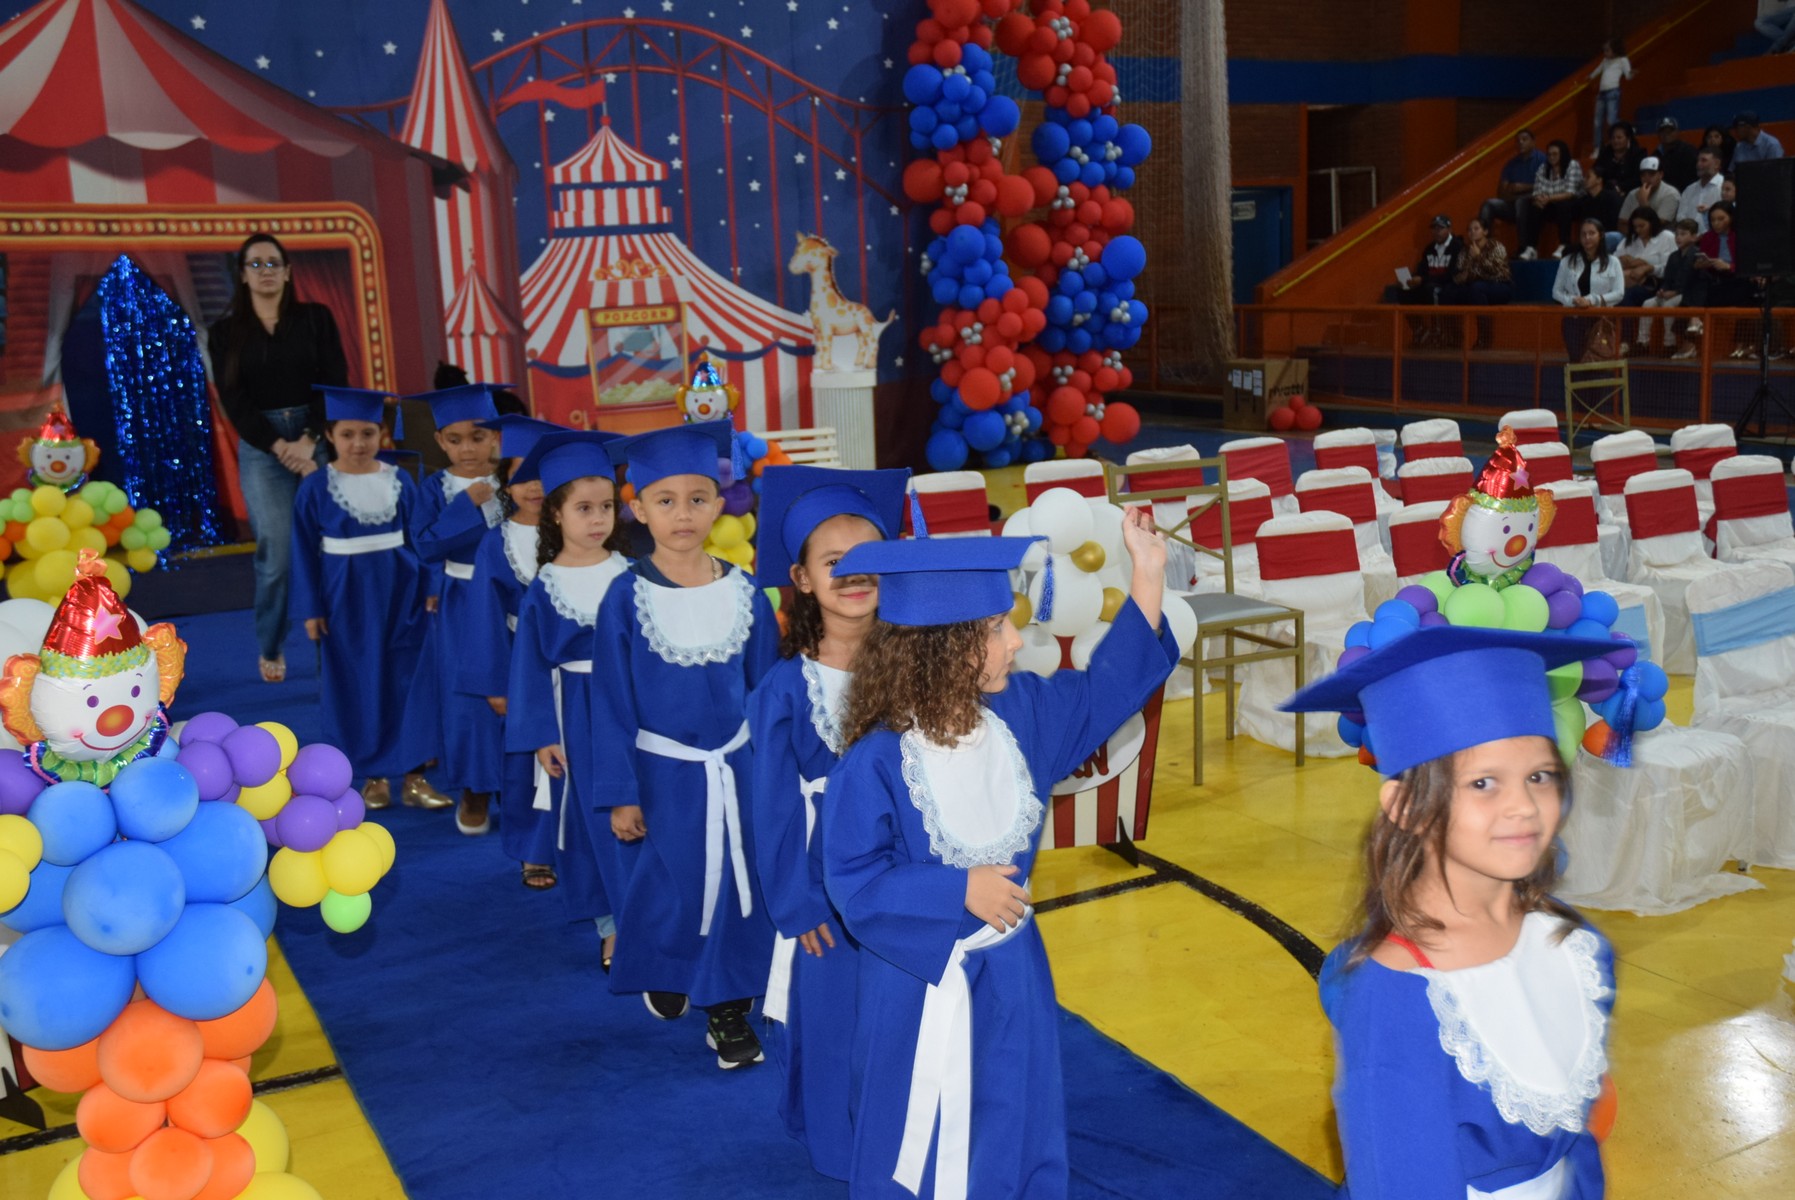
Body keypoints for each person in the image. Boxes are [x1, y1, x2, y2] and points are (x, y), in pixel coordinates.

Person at [822, 514, 1179, 1200]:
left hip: (1012, 968)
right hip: (920, 984)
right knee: (916, 1121)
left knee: (1014, 1110)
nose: (1016, 640)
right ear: (938, 648)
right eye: (994, 628)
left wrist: (1147, 572)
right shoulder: (875, 763)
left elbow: (1108, 687)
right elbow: (854, 879)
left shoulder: (1020, 717)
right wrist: (952, 890)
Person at [1281, 626, 1619, 1199]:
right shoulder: (1397, 999)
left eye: (1540, 775)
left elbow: (1580, 1142)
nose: (1523, 805)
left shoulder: (1570, 944)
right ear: (1407, 806)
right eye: (1483, 783)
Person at [589, 421, 780, 1070]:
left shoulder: (744, 590)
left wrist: (777, 773)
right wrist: (619, 793)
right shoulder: (625, 597)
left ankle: (727, 1010)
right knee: (671, 885)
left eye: (697, 498)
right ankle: (666, 963)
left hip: (739, 767)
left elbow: (766, 687)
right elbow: (608, 702)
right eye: (664, 500)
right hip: (663, 772)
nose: (682, 514)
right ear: (636, 508)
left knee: (735, 880)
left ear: (720, 502)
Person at [747, 464, 910, 1182]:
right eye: (833, 563)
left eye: (869, 559)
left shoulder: (918, 666)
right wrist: (796, 900)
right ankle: (845, 1153)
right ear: (803, 579)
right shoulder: (786, 687)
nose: (854, 575)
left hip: (910, 870)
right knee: (838, 1015)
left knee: (904, 1010)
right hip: (822, 878)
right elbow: (772, 802)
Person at [507, 430, 633, 963]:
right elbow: (530, 666)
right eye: (584, 508)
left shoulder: (632, 574)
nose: (598, 518)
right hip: (576, 712)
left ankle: (647, 915)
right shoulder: (547, 585)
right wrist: (541, 737)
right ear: (555, 513)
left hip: (629, 710)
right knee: (592, 820)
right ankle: (612, 924)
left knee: (639, 814)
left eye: (605, 506)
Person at [207, 233, 347, 684]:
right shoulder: (225, 331)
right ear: (242, 275)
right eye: (255, 264)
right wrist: (279, 446)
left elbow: (335, 381)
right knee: (277, 555)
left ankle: (336, 649)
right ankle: (272, 643)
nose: (265, 271)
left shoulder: (315, 319)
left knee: (331, 548)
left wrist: (310, 440)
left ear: (287, 271)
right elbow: (234, 399)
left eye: (273, 263)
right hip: (263, 447)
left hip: (317, 437)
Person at [289, 387, 434, 809]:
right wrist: (312, 608)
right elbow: (301, 550)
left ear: (382, 434)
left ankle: (415, 774)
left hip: (400, 592)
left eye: (368, 433)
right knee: (358, 683)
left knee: (406, 680)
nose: (358, 443)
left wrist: (429, 587)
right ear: (330, 436)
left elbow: (420, 539)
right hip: (345, 599)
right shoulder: (316, 488)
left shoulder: (400, 480)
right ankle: (372, 775)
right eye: (348, 434)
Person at [459, 414, 564, 887]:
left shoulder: (576, 530)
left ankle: (577, 839)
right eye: (521, 476)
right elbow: (484, 617)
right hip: (524, 663)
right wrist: (497, 682)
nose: (533, 487)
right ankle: (533, 847)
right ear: (506, 481)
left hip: (579, 664)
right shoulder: (494, 543)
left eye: (542, 476)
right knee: (525, 758)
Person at [404, 385, 505, 832]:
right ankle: (476, 787)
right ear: (441, 441)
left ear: (496, 439)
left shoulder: (517, 483)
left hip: (514, 600)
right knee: (468, 699)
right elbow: (426, 545)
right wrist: (468, 505)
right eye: (456, 439)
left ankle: (521, 785)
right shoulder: (435, 489)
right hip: (462, 600)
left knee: (518, 692)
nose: (468, 448)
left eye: (478, 437)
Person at [1687, 202, 1759, 358]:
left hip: (1737, 278)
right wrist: (1702, 264)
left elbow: (1750, 265)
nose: (1716, 223)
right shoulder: (1707, 238)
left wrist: (1729, 266)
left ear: (1731, 218)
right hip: (1714, 278)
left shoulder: (1742, 237)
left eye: (1721, 219)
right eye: (1713, 220)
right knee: (1697, 277)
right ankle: (1693, 321)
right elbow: (1702, 261)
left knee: (1746, 294)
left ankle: (1741, 345)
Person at [1381, 215, 1464, 345]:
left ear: (1449, 229)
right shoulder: (1429, 249)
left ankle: (1439, 332)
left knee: (1433, 290)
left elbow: (1453, 274)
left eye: (1440, 228)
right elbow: (1422, 269)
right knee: (1404, 290)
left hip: (1449, 286)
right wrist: (1411, 279)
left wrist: (1423, 279)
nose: (1436, 232)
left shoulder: (1457, 247)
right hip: (1427, 284)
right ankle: (1419, 329)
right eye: (1434, 228)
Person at [1553, 218, 1625, 361]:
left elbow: (1619, 293)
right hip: (1574, 319)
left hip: (1602, 319)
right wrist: (1573, 300)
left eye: (1591, 233)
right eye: (1583, 234)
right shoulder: (1567, 261)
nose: (1587, 238)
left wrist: (1592, 300)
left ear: (1601, 235)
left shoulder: (1613, 262)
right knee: (1576, 360)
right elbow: (1556, 291)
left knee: (1599, 360)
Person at [1442, 217, 1512, 349]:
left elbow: (1498, 272)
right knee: (1448, 291)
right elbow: (1459, 273)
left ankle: (1484, 338)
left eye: (1476, 229)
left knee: (1477, 287)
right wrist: (1460, 278)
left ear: (1485, 231)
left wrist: (1479, 257)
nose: (1472, 232)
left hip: (1499, 286)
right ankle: (1455, 338)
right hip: (1474, 287)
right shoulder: (1465, 251)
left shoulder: (1496, 246)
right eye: (1469, 230)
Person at [1477, 129, 1547, 249]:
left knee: (1522, 202)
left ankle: (1524, 248)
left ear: (1533, 142)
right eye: (1518, 141)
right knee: (1488, 204)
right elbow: (1502, 192)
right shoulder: (1511, 164)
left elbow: (1547, 186)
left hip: (1536, 206)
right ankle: (1484, 247)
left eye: (1524, 139)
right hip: (1512, 203)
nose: (1520, 143)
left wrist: (1522, 187)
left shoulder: (1542, 160)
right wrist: (1518, 192)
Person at [1524, 141, 1583, 259]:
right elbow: (1537, 191)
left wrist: (1548, 198)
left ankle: (1564, 245)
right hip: (1551, 204)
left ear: (1562, 154)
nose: (1551, 157)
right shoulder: (1543, 167)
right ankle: (1531, 248)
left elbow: (1570, 193)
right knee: (1534, 206)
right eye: (1549, 154)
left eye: (1555, 154)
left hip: (1573, 205)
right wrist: (1539, 199)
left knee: (1563, 205)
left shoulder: (1572, 165)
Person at [1655, 218, 1703, 358]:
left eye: (1683, 234)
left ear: (1694, 237)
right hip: (1670, 292)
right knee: (1647, 304)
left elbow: (1692, 281)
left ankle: (1669, 343)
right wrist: (1662, 290)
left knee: (1668, 306)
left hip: (1686, 294)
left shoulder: (1697, 255)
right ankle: (1642, 341)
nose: (1678, 238)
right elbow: (1667, 279)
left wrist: (1675, 292)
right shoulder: (1673, 256)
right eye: (1676, 234)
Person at [1587, 37, 1632, 153]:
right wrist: (1590, 76)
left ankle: (1614, 144)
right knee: (1597, 122)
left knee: (1611, 121)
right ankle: (1597, 147)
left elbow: (1628, 76)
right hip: (1602, 94)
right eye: (1605, 50)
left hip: (1613, 92)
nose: (1605, 53)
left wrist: (1632, 73)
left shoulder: (1622, 60)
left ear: (1615, 49)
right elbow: (1598, 70)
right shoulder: (1605, 61)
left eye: (1608, 50)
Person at [1617, 155, 1680, 227]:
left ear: (1661, 174)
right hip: (1634, 236)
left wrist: (1644, 203)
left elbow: (1657, 225)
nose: (1647, 178)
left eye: (1651, 174)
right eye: (1643, 175)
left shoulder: (1671, 194)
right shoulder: (1633, 193)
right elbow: (1621, 223)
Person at [1675, 148, 1725, 233]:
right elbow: (1680, 217)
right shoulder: (1689, 189)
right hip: (1689, 239)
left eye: (1704, 161)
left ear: (1717, 164)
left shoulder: (1724, 187)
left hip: (1714, 237)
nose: (1698, 164)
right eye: (1698, 161)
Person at [1651, 116, 1698, 192]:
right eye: (1663, 131)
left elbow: (1694, 177)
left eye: (1670, 131)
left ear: (1678, 132)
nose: (1666, 134)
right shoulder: (1655, 155)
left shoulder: (1689, 151)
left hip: (1686, 193)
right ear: (1658, 134)